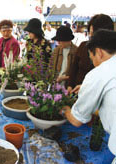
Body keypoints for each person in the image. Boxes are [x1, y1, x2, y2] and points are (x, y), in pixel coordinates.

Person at [60, 29, 116, 162]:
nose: (93, 63)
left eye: (92, 58)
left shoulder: (99, 72)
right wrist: (87, 89)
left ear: (99, 52)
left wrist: (65, 109)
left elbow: (76, 120)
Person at [67, 14, 114, 94]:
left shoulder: (110, 56)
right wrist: (70, 86)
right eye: (89, 33)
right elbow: (74, 69)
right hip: (78, 91)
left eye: (93, 33)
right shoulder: (83, 46)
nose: (90, 36)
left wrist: (86, 88)